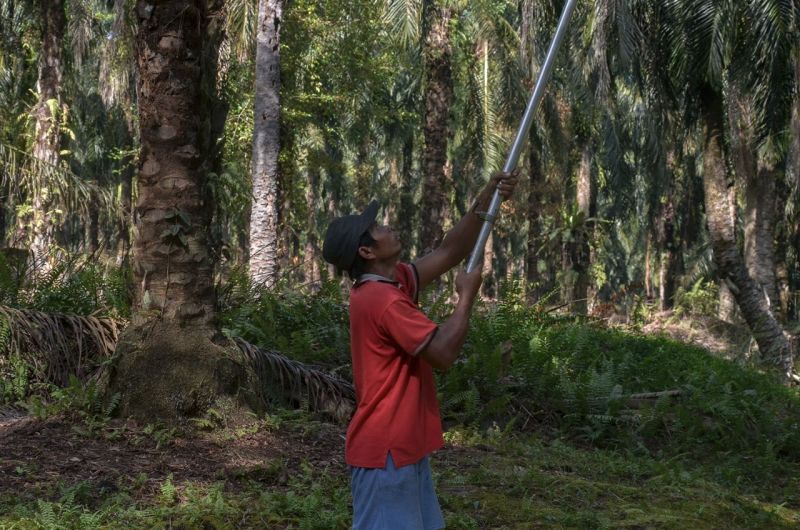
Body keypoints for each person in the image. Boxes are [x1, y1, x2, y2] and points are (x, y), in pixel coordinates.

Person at [322, 171, 518, 530]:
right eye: (377, 228)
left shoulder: (391, 281)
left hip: (402, 447)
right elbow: (442, 354)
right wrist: (466, 297)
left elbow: (451, 250)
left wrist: (488, 197)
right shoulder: (382, 300)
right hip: (386, 452)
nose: (387, 227)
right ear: (366, 251)